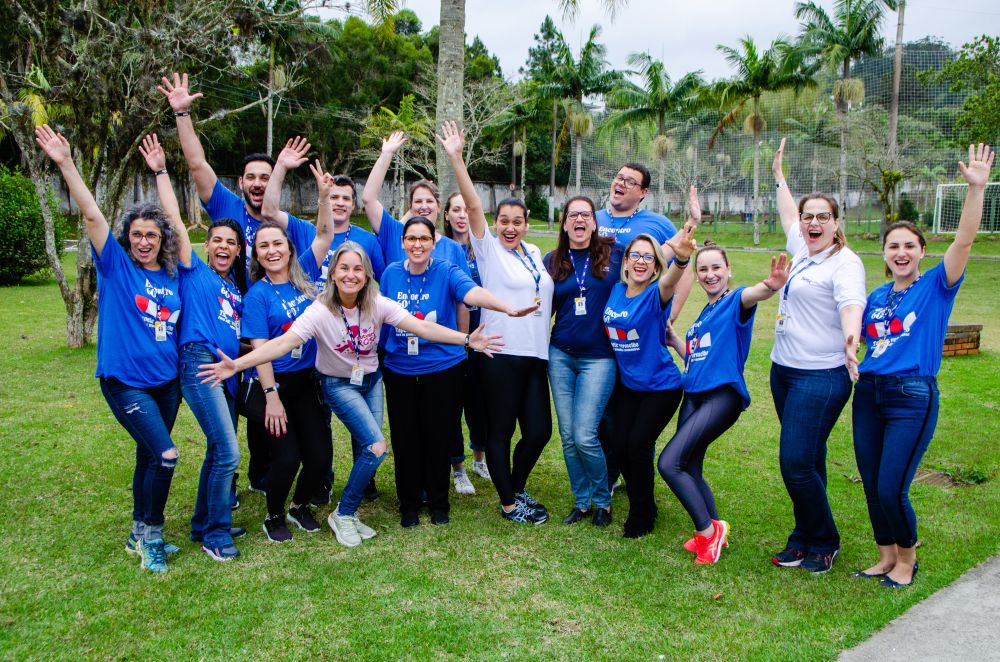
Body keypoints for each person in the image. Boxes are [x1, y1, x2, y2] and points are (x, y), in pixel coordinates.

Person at [198, 241, 504, 547]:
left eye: (358, 269)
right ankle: (343, 513)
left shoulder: (377, 303)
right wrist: (238, 365)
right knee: (377, 447)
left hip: (370, 381)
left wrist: (466, 339)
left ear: (367, 275)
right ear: (332, 273)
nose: (350, 275)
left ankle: (351, 512)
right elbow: (282, 343)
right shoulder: (319, 311)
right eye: (344, 268)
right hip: (338, 384)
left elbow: (420, 327)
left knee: (367, 449)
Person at [159, 72, 317, 496]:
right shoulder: (228, 208)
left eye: (266, 176)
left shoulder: (285, 225)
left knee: (266, 400)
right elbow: (197, 166)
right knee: (238, 403)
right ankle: (229, 481)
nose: (258, 183)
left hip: (271, 326)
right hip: (230, 327)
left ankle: (262, 475)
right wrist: (182, 114)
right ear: (241, 182)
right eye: (251, 176)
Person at [36, 125, 183, 573]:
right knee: (166, 456)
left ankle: (138, 531)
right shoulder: (116, 267)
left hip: (167, 383)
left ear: (162, 239)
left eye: (152, 235)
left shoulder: (172, 276)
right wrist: (66, 163)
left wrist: (162, 173)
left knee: (149, 455)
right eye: (137, 234)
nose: (144, 241)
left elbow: (177, 220)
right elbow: (93, 216)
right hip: (125, 383)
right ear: (128, 238)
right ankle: (152, 536)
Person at [851, 144, 994, 588]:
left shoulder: (936, 285)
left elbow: (964, 240)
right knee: (872, 483)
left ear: (922, 251)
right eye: (893, 246)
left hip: (911, 396)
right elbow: (864, 339)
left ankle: (907, 561)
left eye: (909, 246)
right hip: (868, 394)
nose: (901, 252)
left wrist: (976, 189)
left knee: (892, 486)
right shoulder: (876, 297)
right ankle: (884, 557)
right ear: (884, 253)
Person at [134, 134, 250, 562]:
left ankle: (204, 522)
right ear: (207, 245)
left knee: (219, 449)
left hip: (229, 370)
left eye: (231, 243)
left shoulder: (235, 288)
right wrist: (162, 171)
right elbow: (175, 222)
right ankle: (215, 535)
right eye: (217, 240)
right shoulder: (194, 271)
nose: (223, 247)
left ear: (238, 251)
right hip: (199, 363)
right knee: (229, 452)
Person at [380, 216, 537, 527]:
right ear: (402, 242)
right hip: (400, 368)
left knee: (438, 435)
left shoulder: (446, 270)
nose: (417, 245)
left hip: (442, 367)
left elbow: (472, 292)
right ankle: (409, 504)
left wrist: (505, 307)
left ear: (434, 242)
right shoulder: (390, 274)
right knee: (405, 438)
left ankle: (439, 502)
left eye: (424, 238)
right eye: (411, 238)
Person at [439, 121, 555, 524]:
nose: (509, 227)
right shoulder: (487, 249)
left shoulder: (535, 252)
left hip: (535, 355)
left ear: (526, 223)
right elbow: (473, 207)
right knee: (501, 432)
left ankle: (515, 489)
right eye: (503, 220)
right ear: (495, 222)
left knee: (539, 431)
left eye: (516, 221)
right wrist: (457, 159)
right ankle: (509, 505)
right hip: (500, 353)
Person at [768, 137, 867, 574]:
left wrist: (851, 339)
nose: (812, 223)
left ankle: (824, 540)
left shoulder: (845, 262)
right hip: (784, 371)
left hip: (821, 376)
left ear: (835, 223)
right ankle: (804, 537)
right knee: (810, 458)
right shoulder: (804, 251)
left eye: (822, 217)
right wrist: (779, 176)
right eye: (809, 216)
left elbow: (851, 304)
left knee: (794, 462)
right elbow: (788, 213)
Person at [660, 244, 790, 563]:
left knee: (669, 463)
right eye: (703, 269)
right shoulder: (703, 315)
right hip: (694, 394)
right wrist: (675, 340)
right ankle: (715, 530)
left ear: (728, 269)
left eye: (716, 267)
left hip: (721, 396)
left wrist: (770, 286)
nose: (710, 275)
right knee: (689, 465)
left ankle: (708, 532)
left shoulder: (735, 301)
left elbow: (754, 294)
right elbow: (696, 358)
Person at [602, 190, 698, 539]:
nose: (641, 261)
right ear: (626, 262)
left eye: (648, 257)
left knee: (638, 446)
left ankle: (642, 514)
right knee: (620, 446)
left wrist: (681, 261)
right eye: (635, 256)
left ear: (656, 266)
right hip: (630, 386)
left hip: (661, 387)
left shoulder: (656, 294)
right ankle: (643, 502)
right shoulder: (616, 291)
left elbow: (673, 278)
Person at [239, 191, 334, 543]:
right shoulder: (257, 296)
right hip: (273, 384)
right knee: (287, 457)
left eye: (277, 243)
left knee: (319, 456)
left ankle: (299, 506)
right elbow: (261, 351)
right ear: (257, 255)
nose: (271, 251)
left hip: (306, 382)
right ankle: (274, 515)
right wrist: (271, 397)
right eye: (263, 246)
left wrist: (323, 197)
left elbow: (325, 234)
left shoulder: (303, 274)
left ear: (290, 248)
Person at [544, 196, 620, 527]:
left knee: (585, 434)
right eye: (573, 215)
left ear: (594, 222)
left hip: (599, 358)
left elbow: (647, 272)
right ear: (564, 223)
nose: (579, 220)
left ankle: (603, 501)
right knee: (568, 434)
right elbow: (541, 306)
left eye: (585, 214)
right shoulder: (552, 260)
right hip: (560, 355)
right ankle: (582, 502)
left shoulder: (614, 254)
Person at [442, 192, 491, 491]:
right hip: (452, 338)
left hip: (483, 337)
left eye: (466, 210)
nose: (461, 215)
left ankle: (479, 458)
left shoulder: (485, 248)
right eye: (455, 210)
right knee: (453, 404)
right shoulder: (440, 248)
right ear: (446, 215)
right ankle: (458, 467)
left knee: (480, 403)